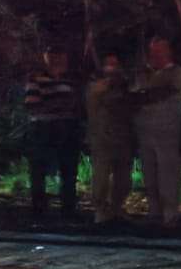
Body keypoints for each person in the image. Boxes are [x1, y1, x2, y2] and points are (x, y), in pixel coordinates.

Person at [132, 37, 181, 227]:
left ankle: (170, 214)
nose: (155, 55)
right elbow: (136, 96)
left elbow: (158, 93)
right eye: (152, 51)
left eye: (159, 51)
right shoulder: (145, 74)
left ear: (168, 51)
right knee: (150, 174)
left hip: (167, 132)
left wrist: (146, 93)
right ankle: (154, 212)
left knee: (167, 174)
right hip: (145, 131)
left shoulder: (177, 72)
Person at [24, 47, 81, 220]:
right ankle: (39, 210)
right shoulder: (36, 78)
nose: (59, 60)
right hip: (44, 128)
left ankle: (68, 210)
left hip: (67, 127)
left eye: (61, 56)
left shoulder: (69, 80)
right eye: (54, 57)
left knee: (69, 171)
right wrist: (59, 105)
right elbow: (32, 106)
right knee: (39, 170)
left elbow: (76, 103)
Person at [86, 51, 136, 227]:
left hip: (123, 137)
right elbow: (93, 108)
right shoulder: (96, 85)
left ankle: (116, 208)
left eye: (115, 64)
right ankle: (100, 210)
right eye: (109, 64)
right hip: (102, 137)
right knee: (101, 176)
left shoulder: (125, 85)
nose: (112, 68)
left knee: (123, 178)